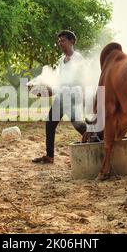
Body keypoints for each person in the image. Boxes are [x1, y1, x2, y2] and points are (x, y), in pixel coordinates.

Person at [32, 30, 88, 164]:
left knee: (79, 125)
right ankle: (49, 156)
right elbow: (59, 80)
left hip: (73, 96)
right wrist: (44, 88)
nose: (60, 43)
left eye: (62, 41)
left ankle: (100, 141)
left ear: (71, 42)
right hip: (62, 96)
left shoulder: (78, 58)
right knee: (50, 124)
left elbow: (80, 79)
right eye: (59, 41)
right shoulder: (61, 61)